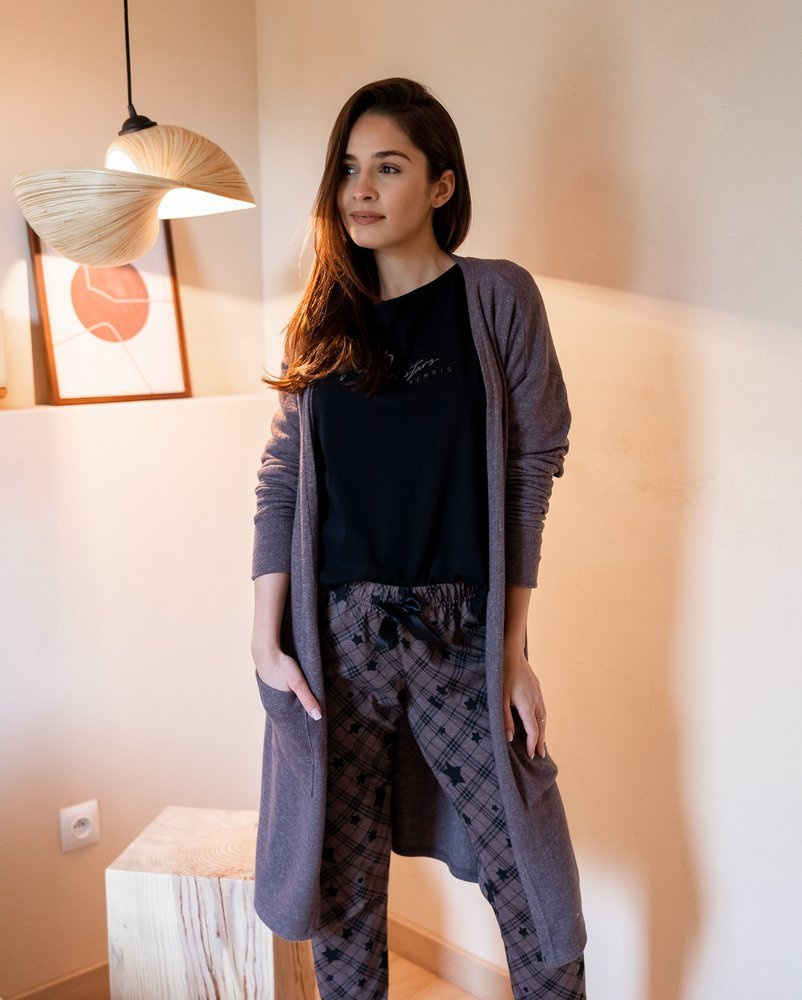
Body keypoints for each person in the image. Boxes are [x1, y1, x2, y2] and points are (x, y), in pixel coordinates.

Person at [250, 77, 587, 1000]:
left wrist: (511, 649)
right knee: (345, 901)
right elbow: (281, 482)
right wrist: (266, 637)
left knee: (537, 897)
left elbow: (531, 467)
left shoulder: (497, 298)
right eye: (348, 169)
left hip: (457, 631)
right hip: (336, 643)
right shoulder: (321, 319)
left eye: (388, 167)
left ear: (441, 186)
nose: (359, 189)